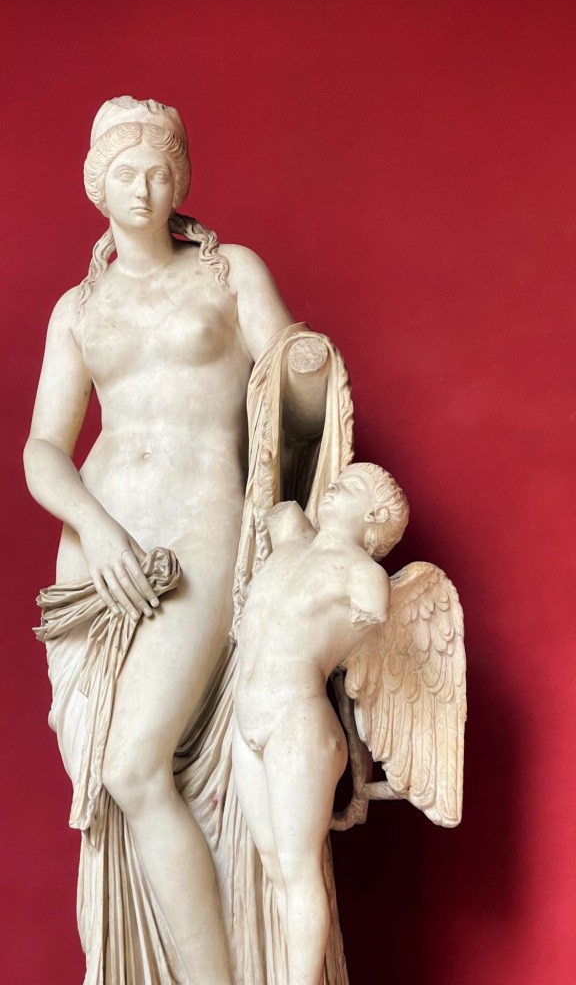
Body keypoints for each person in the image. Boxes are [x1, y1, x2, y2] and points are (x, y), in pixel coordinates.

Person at [24, 96, 330, 985]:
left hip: (199, 531)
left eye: (161, 171)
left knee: (133, 764)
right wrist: (95, 529)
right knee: (115, 776)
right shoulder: (77, 311)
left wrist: (308, 373)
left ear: (181, 180)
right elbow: (43, 450)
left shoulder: (228, 274)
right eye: (125, 173)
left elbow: (294, 386)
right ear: (96, 185)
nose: (144, 189)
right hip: (102, 553)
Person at [233, 463, 409, 985]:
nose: (335, 485)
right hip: (247, 721)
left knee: (298, 868)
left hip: (298, 720)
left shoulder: (362, 575)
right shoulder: (289, 545)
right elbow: (276, 503)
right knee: (273, 866)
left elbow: (375, 620)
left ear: (373, 516)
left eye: (352, 486)